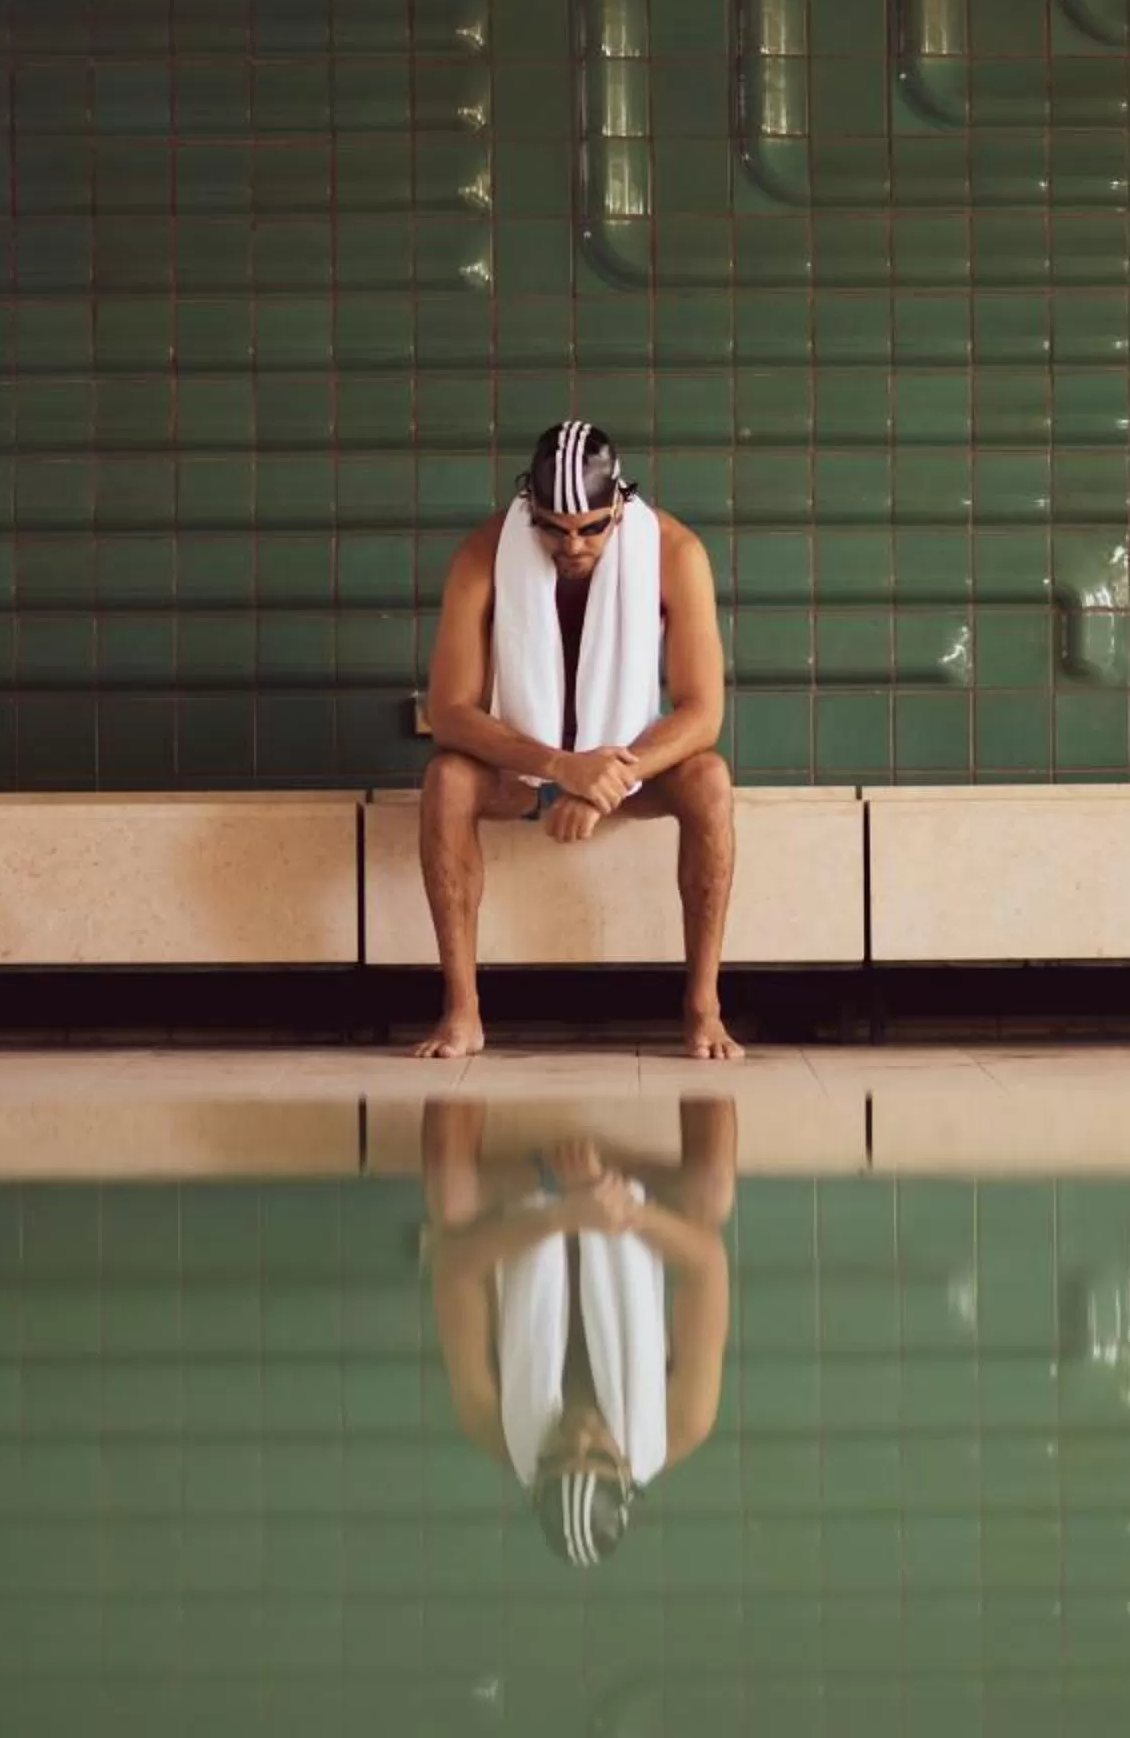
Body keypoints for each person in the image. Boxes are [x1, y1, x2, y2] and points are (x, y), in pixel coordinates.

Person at [413, 421, 741, 1060]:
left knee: (710, 778)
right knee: (447, 778)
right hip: (522, 769)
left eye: (592, 527)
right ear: (528, 507)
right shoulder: (484, 554)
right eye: (553, 528)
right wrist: (561, 766)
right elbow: (451, 713)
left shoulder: (675, 552)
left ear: (619, 503)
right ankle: (462, 1011)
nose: (573, 545)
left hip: (623, 772)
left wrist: (602, 782)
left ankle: (704, 1007)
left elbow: (703, 714)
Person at [421, 1096, 736, 1567]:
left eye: (559, 1454)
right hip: (621, 1191)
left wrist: (564, 1213)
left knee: (451, 1199)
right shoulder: (683, 1419)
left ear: (538, 1476)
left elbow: (453, 1269)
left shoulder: (489, 1420)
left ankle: (459, 1065)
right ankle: (710, 1058)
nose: (579, 1434)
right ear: (627, 1473)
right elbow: (707, 1263)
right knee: (711, 1196)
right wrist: (620, 1207)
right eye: (597, 1453)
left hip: (530, 1190)